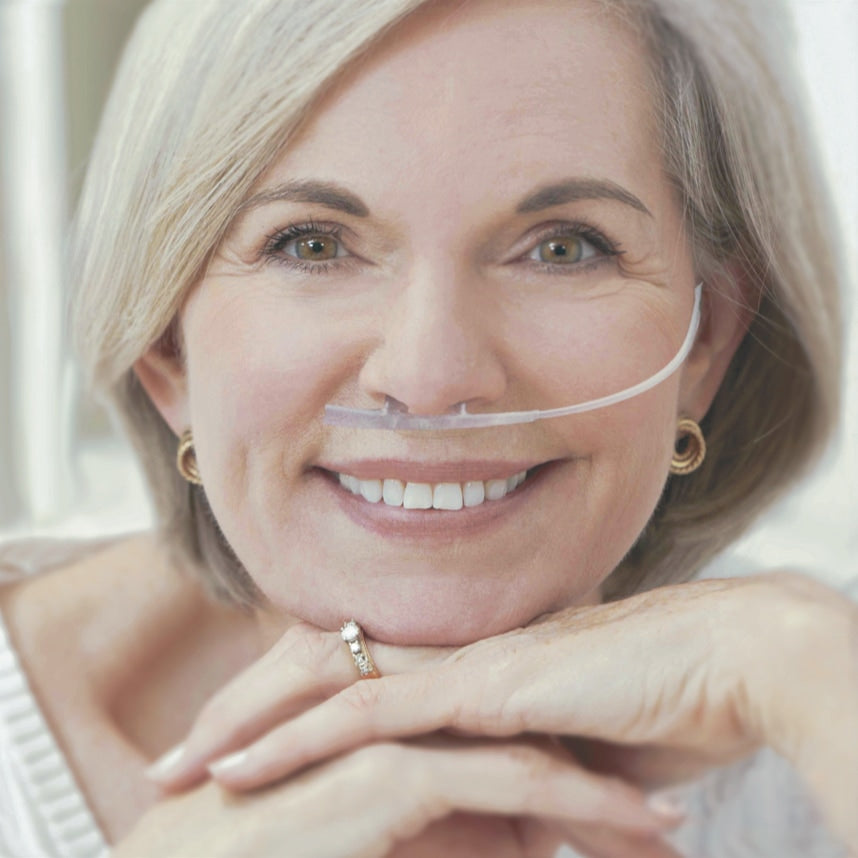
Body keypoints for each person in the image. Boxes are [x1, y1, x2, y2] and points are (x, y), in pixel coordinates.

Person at [0, 0, 854, 855]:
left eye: (563, 248)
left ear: (704, 342)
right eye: (312, 246)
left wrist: (813, 674)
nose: (430, 378)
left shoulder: (809, 698)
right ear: (168, 353)